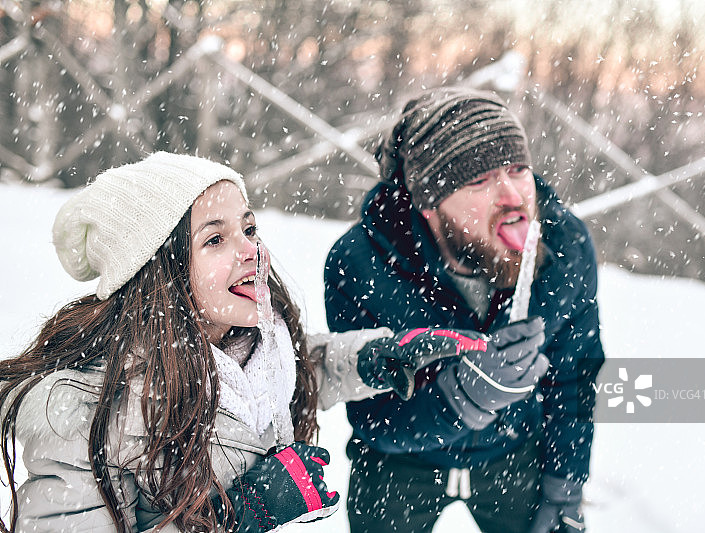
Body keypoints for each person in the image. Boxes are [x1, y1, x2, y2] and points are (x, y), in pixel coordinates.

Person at [0, 152, 486, 532]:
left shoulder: (250, 346)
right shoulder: (83, 412)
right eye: (215, 239)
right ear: (156, 274)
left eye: (248, 228)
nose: (251, 250)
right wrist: (236, 517)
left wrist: (372, 358)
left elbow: (298, 372)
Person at [324, 88, 605, 533]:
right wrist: (459, 399)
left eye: (517, 170)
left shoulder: (564, 246)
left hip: (513, 451)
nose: (512, 195)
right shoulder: (361, 264)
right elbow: (373, 419)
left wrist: (565, 487)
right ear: (429, 206)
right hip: (401, 464)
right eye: (480, 181)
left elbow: (574, 376)